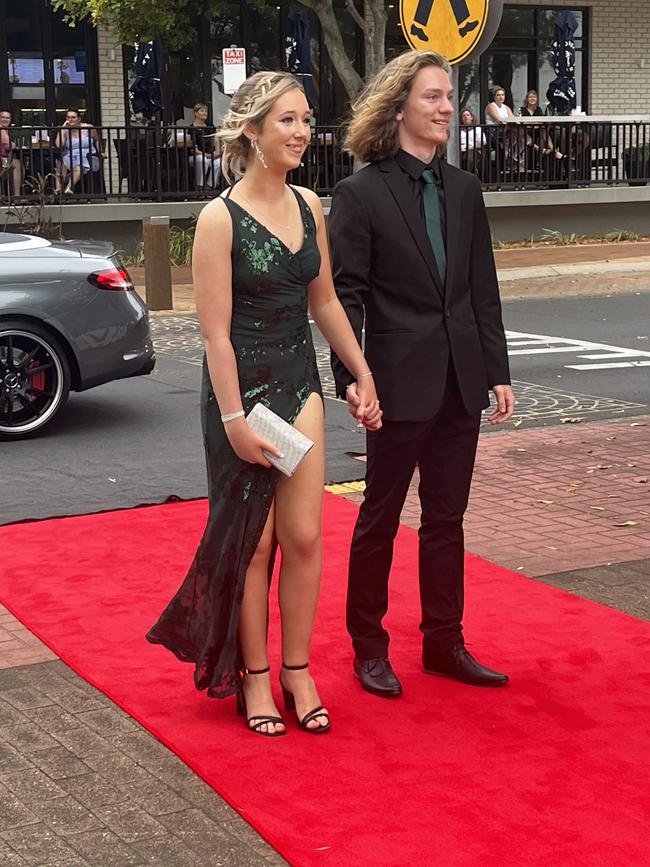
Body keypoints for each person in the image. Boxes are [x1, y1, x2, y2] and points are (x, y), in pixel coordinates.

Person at [146, 71, 382, 737]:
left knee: (304, 535)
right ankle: (254, 676)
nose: (304, 131)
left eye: (307, 119)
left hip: (298, 381)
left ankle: (297, 668)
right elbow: (214, 334)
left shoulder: (311, 205)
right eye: (288, 120)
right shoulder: (218, 218)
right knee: (254, 544)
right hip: (239, 392)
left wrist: (360, 371)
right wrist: (232, 419)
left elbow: (326, 301)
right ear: (251, 131)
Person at [329, 50, 515, 699]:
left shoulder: (465, 190)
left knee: (447, 518)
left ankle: (444, 641)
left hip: (461, 378)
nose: (447, 109)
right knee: (378, 516)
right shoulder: (359, 194)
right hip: (396, 383)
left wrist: (497, 368)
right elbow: (344, 295)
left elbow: (481, 290)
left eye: (449, 98)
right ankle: (369, 645)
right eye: (433, 97)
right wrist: (352, 377)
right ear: (400, 105)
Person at [54, 109, 105, 194]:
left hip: (88, 156)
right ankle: (58, 190)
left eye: (73, 117)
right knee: (61, 166)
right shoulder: (65, 131)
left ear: (79, 119)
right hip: (70, 156)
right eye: (68, 117)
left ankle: (68, 188)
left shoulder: (88, 128)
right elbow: (59, 145)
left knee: (78, 166)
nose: (70, 119)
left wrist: (100, 152)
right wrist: (62, 129)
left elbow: (97, 140)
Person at [188, 102, 221, 190]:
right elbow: (193, 149)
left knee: (218, 162)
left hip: (211, 155)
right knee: (202, 160)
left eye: (206, 111)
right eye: (202, 111)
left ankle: (210, 186)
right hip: (196, 156)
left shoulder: (210, 126)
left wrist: (216, 152)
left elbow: (216, 139)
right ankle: (199, 186)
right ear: (195, 113)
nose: (205, 113)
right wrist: (205, 155)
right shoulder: (191, 128)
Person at [0, 109, 23, 196]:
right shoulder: (1, 128)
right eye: (3, 117)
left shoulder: (6, 129)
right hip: (2, 159)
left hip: (4, 158)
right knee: (17, 164)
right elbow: (8, 144)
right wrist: (13, 144)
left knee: (20, 166)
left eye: (7, 118)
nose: (5, 119)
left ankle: (13, 195)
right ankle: (16, 196)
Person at [459, 107, 485, 176]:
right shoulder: (459, 130)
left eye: (467, 115)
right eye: (463, 116)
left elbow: (482, 142)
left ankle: (466, 177)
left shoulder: (477, 129)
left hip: (473, 149)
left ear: (472, 117)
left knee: (468, 158)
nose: (466, 117)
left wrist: (471, 146)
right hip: (460, 149)